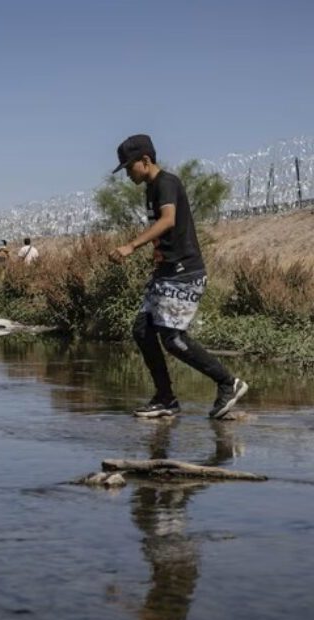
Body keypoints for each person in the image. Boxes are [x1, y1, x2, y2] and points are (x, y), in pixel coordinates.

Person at [108, 134, 248, 419]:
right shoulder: (151, 188)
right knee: (142, 331)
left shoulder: (166, 183)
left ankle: (228, 383)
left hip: (184, 272)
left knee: (173, 338)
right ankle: (165, 398)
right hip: (166, 273)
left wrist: (131, 246)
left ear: (145, 160)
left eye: (129, 167)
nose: (128, 174)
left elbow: (168, 220)